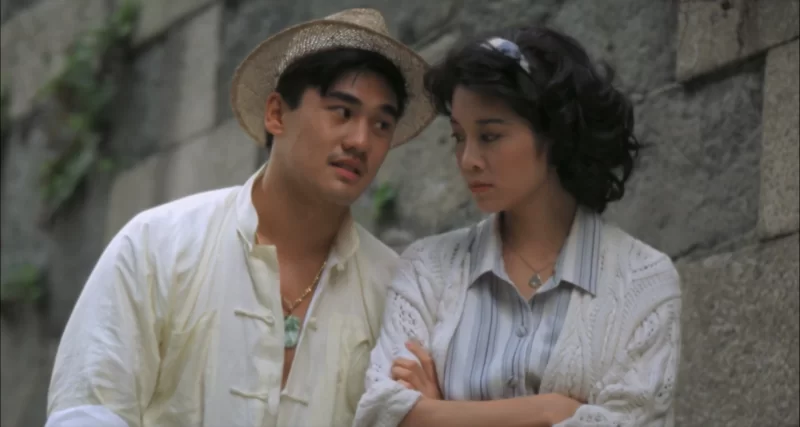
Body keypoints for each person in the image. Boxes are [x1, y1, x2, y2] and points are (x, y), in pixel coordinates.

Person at [45, 8, 436, 427]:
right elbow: (88, 410)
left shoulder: (395, 291)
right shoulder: (159, 244)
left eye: (381, 124)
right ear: (276, 114)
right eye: (342, 112)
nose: (360, 140)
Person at [354, 26, 682, 427]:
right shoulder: (427, 268)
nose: (468, 160)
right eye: (459, 137)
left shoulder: (643, 280)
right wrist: (550, 411)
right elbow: (380, 414)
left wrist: (438, 412)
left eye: (490, 136)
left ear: (556, 134)